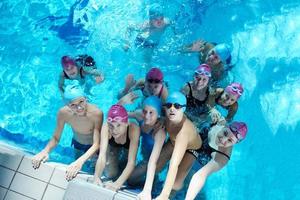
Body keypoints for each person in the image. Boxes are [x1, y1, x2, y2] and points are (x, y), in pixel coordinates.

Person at [31, 83, 103, 181]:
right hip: (77, 143)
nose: (79, 108)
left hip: (94, 147)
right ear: (67, 105)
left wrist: (80, 161)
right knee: (75, 167)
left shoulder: (96, 113)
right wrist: (45, 151)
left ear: (85, 98)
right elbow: (56, 138)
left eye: (81, 102)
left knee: (92, 171)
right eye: (73, 105)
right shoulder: (63, 113)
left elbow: (96, 144)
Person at [154, 92, 202, 200]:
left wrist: (164, 195)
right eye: (169, 105)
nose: (172, 109)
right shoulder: (166, 115)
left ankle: (184, 181)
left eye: (177, 106)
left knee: (175, 184)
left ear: (183, 109)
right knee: (155, 166)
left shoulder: (183, 132)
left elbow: (173, 165)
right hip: (173, 141)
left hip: (192, 148)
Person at [185, 121, 248, 200]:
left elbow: (200, 175)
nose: (223, 140)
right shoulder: (216, 122)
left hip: (198, 163)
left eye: (230, 141)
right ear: (225, 127)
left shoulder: (223, 156)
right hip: (193, 145)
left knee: (187, 179)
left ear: (234, 143)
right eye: (225, 133)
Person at [124, 96, 166, 200]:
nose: (147, 115)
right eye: (145, 111)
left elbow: (153, 161)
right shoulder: (139, 115)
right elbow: (119, 114)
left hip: (155, 160)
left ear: (159, 115)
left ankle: (154, 184)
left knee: (131, 180)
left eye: (151, 112)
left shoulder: (159, 132)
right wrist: (122, 101)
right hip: (144, 157)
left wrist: (146, 191)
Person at [93, 104, 140, 191]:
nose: (114, 130)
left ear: (126, 124)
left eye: (118, 125)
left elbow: (131, 162)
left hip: (128, 144)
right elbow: (102, 155)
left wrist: (117, 184)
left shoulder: (134, 129)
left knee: (125, 166)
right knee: (110, 174)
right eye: (111, 125)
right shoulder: (106, 127)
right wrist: (96, 177)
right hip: (113, 145)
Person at [181, 64, 212, 129]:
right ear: (194, 76)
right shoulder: (186, 88)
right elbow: (179, 107)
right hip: (186, 115)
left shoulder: (209, 93)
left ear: (208, 81)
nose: (200, 82)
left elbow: (208, 111)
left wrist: (199, 121)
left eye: (204, 80)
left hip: (199, 119)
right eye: (197, 78)